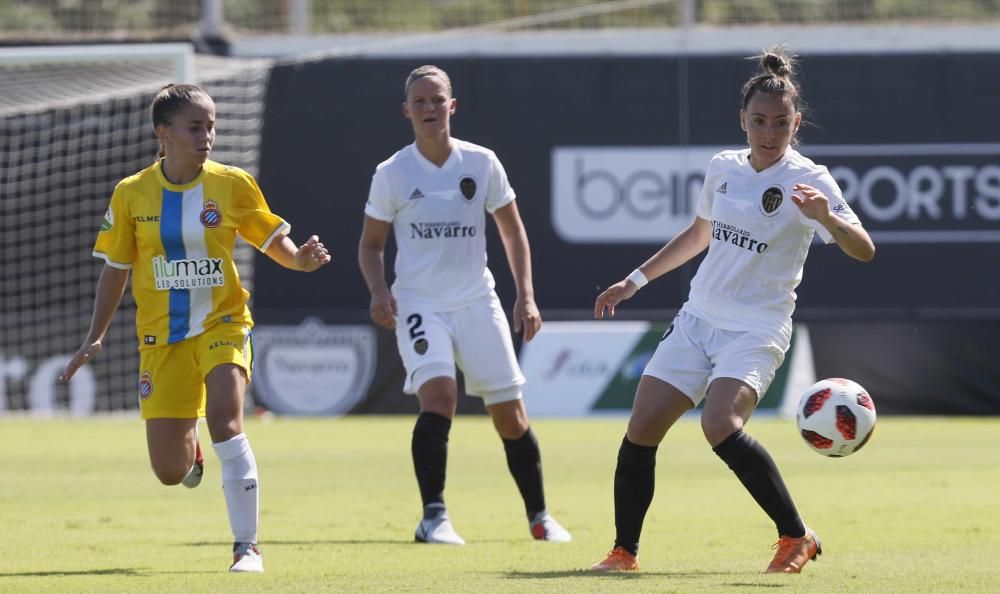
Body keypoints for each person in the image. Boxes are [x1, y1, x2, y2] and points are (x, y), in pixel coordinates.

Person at [589, 48, 875, 573]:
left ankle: (796, 538)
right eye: (760, 121)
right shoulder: (723, 167)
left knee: (719, 422)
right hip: (698, 319)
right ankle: (623, 553)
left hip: (757, 329)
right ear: (743, 120)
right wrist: (634, 281)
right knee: (641, 428)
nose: (770, 132)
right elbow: (699, 234)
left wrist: (826, 219)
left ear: (797, 122)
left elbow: (864, 248)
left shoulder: (809, 179)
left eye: (782, 123)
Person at [59, 83, 331, 573]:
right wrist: (94, 335)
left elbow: (273, 243)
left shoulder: (232, 184)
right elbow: (116, 269)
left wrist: (301, 262)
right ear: (163, 133)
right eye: (195, 127)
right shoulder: (131, 194)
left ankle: (246, 546)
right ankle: (193, 456)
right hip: (162, 340)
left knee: (228, 419)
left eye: (211, 126)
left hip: (223, 323)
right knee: (169, 472)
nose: (207, 136)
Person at [358, 65, 571, 545]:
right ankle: (433, 517)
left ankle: (540, 517)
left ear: (452, 106)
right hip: (419, 305)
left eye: (438, 100)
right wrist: (379, 291)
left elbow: (512, 230)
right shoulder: (392, 174)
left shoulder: (482, 163)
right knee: (440, 397)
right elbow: (371, 245)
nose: (429, 109)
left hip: (478, 300)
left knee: (511, 416)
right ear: (406, 111)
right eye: (420, 102)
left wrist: (527, 296)